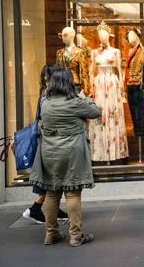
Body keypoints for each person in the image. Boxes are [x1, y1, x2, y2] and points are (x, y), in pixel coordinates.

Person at [29, 69, 101, 246]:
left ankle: (50, 234)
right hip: (71, 152)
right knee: (72, 192)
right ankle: (75, 236)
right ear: (68, 83)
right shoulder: (75, 102)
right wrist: (83, 96)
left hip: (49, 152)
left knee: (52, 193)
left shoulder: (46, 103)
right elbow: (95, 111)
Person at [23, 65, 69, 224]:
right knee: (50, 178)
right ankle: (35, 209)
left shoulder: (46, 93)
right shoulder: (47, 97)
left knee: (52, 177)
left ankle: (52, 209)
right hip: (49, 141)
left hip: (46, 140)